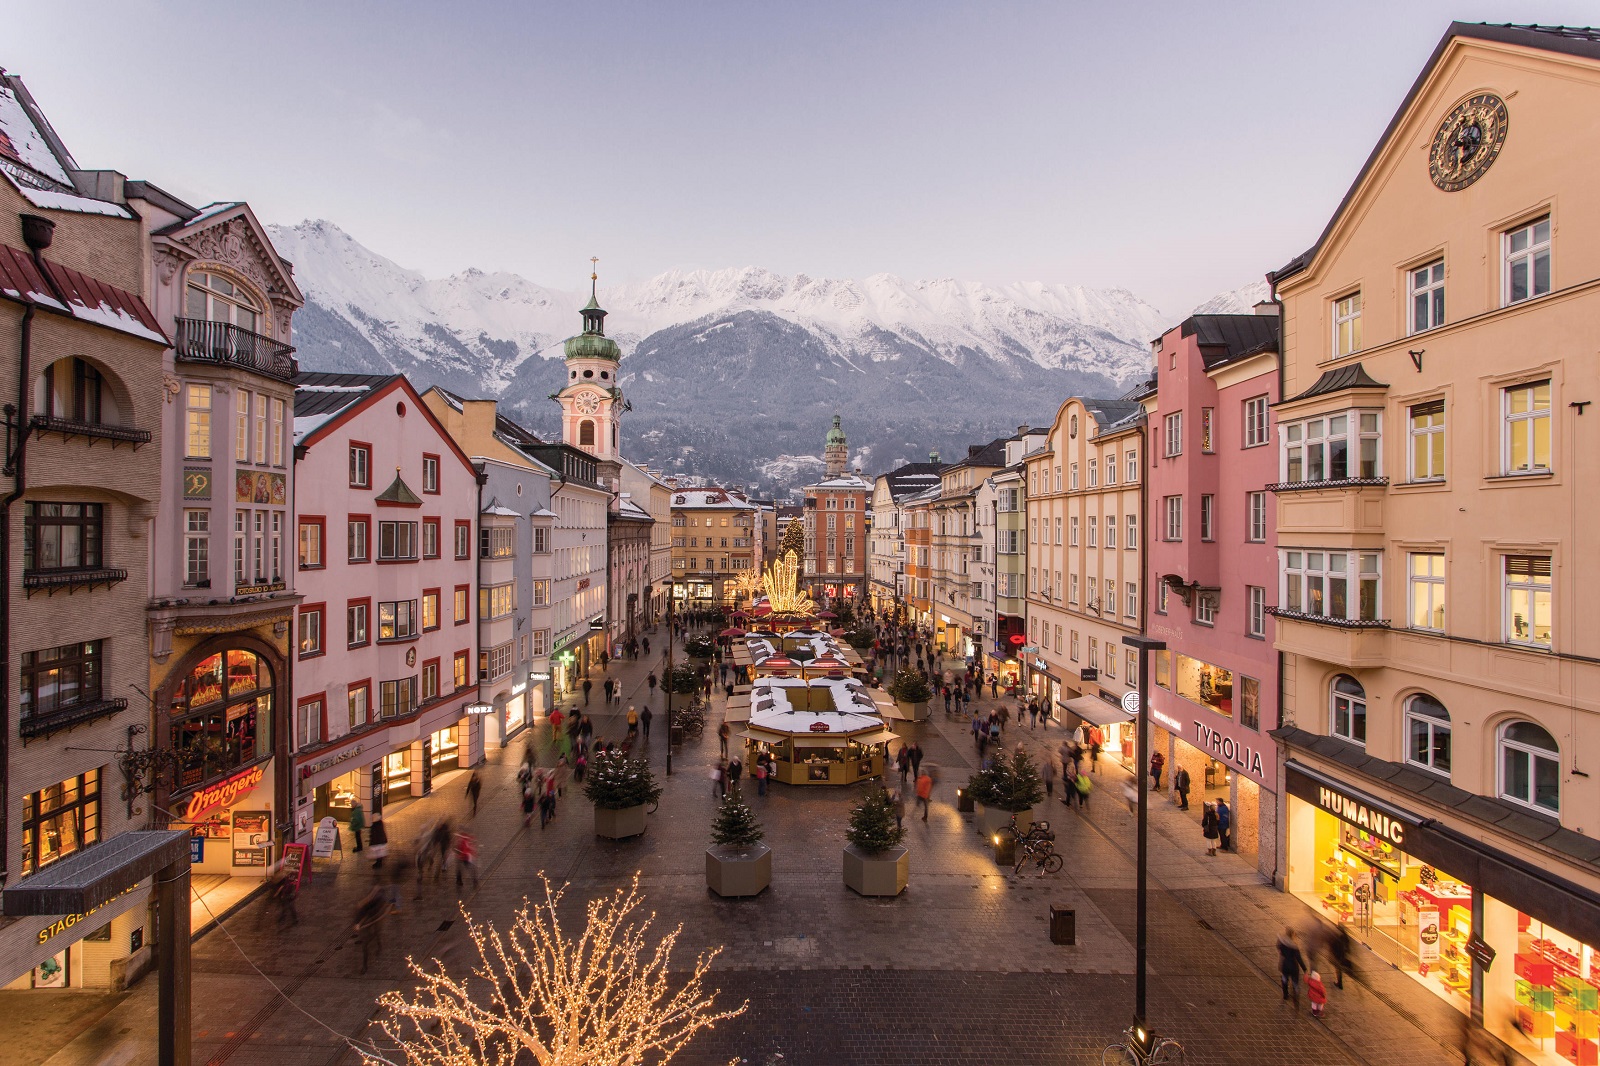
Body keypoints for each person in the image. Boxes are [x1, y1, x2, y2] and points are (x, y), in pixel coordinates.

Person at [353, 887, 390, 974]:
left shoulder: (379, 900)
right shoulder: (368, 902)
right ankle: (365, 965)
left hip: (374, 918)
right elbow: (362, 911)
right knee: (365, 944)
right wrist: (357, 923)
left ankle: (378, 945)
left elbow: (377, 911)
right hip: (369, 919)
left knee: (375, 933)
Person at [1277, 927, 1306, 1008]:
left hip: (1285, 965)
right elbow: (1299, 959)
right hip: (1293, 966)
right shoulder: (1294, 946)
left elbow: (1278, 948)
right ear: (1292, 935)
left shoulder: (1282, 943)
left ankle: (1285, 995)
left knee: (1284, 979)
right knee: (1295, 982)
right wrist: (1305, 969)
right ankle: (1296, 994)